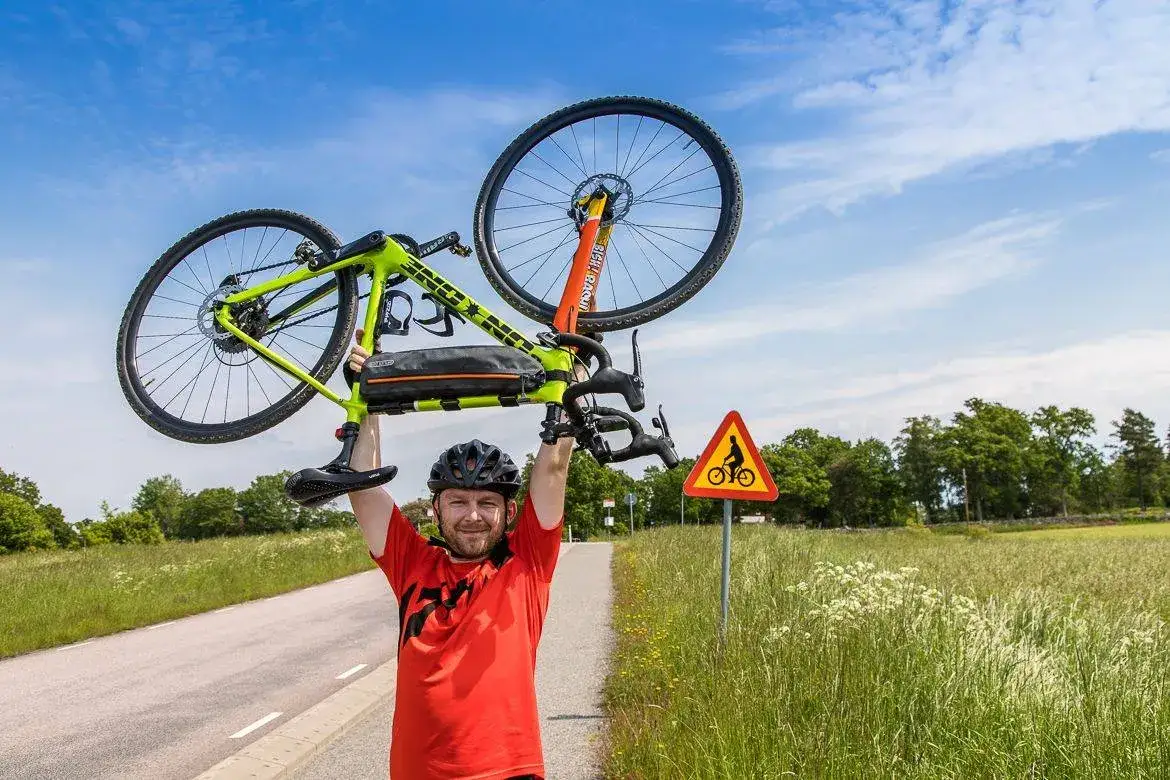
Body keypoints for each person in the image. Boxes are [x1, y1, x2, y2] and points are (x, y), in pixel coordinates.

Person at [345, 329, 575, 780]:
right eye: (458, 501)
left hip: (508, 771)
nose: (472, 515)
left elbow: (553, 466)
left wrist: (567, 378)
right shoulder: (413, 562)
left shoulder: (527, 562)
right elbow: (364, 491)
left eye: (487, 503)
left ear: (509, 512)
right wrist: (366, 396)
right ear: (436, 509)